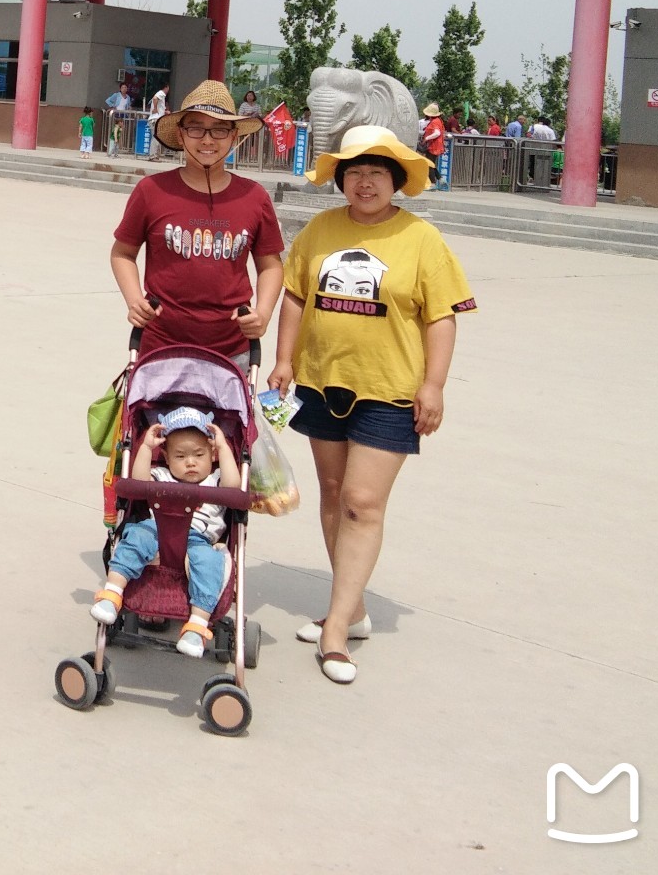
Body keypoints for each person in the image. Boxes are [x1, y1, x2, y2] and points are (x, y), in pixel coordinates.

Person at [269, 124, 474, 686]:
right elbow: (294, 295)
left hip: (390, 391)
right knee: (333, 494)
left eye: (376, 173)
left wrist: (434, 385)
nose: (364, 183)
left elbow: (442, 316)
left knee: (363, 501)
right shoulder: (319, 230)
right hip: (321, 382)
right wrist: (284, 360)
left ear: (396, 181)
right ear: (341, 178)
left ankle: (336, 630)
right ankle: (351, 608)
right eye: (354, 172)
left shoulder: (421, 239)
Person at [110, 80, 285, 368]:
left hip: (232, 351)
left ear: (234, 135)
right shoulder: (151, 190)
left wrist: (263, 314)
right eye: (195, 128)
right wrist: (134, 300)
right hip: (160, 347)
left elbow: (271, 265)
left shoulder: (255, 197)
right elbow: (122, 253)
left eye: (219, 129)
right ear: (180, 134)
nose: (207, 140)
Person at [89, 407, 241, 656]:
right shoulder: (162, 476)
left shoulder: (216, 480)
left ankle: (197, 625)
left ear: (211, 455)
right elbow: (138, 483)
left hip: (199, 540)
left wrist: (224, 448)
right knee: (136, 535)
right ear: (167, 459)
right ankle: (112, 594)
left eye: (199, 455)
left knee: (210, 561)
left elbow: (234, 487)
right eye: (180, 456)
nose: (190, 462)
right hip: (157, 531)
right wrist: (147, 448)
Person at [146, 84, 169, 159]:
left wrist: (165, 112)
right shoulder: (161, 93)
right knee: (156, 137)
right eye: (168, 88)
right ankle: (153, 156)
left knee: (157, 137)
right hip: (155, 119)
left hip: (156, 118)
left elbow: (160, 107)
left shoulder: (160, 94)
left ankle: (155, 155)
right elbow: (155, 98)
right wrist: (155, 108)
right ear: (166, 87)